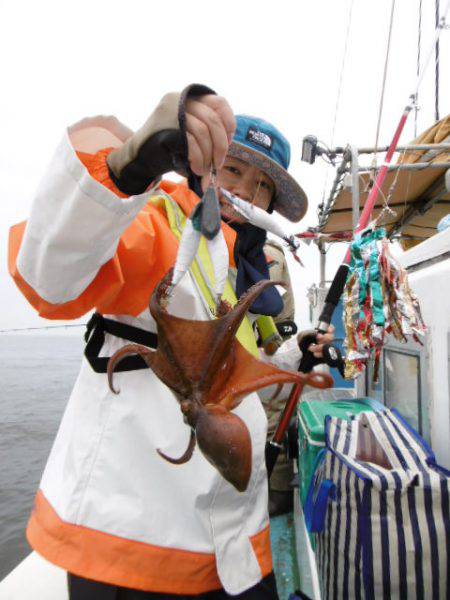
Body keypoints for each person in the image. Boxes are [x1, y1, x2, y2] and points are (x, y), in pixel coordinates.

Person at [8, 84, 334, 599]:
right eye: (233, 171)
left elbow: (239, 376)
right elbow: (48, 276)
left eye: (261, 186)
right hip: (135, 549)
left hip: (236, 543)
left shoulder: (241, 270)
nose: (246, 194)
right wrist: (126, 170)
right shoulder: (157, 220)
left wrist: (296, 357)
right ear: (205, 167)